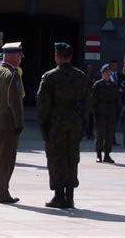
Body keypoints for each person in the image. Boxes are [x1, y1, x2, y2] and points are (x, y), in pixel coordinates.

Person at [37, 42, 90, 208]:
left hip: (56, 123)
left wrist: (43, 123)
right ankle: (70, 197)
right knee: (72, 157)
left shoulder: (50, 76)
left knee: (56, 158)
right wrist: (82, 120)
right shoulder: (81, 76)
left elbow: (42, 103)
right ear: (71, 57)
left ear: (57, 56)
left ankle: (59, 196)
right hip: (74, 122)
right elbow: (89, 102)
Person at [0, 42, 24, 204]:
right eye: (19, 56)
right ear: (13, 56)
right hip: (8, 124)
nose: (21, 60)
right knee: (7, 159)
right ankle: (2, 193)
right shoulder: (12, 74)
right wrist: (19, 123)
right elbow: (15, 102)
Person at [91, 63, 122, 163]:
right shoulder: (98, 85)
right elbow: (93, 100)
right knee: (100, 134)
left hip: (111, 112)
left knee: (109, 134)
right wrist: (94, 113)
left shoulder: (114, 85)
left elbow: (118, 100)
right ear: (102, 73)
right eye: (106, 73)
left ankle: (107, 154)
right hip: (101, 113)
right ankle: (99, 154)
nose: (108, 75)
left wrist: (118, 111)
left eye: (109, 73)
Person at [83, 63, 97, 140]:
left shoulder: (94, 77)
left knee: (90, 119)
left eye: (91, 68)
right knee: (84, 119)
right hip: (85, 101)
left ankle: (89, 133)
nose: (90, 70)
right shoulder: (83, 77)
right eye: (89, 68)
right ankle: (84, 133)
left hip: (91, 101)